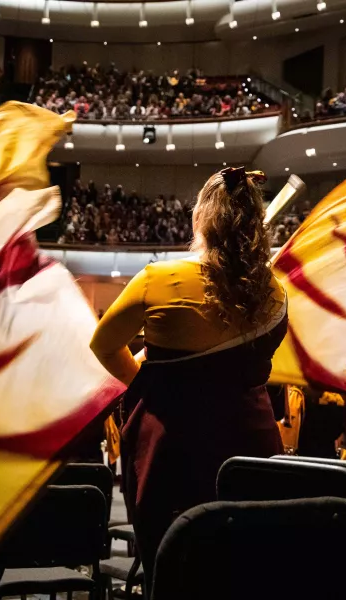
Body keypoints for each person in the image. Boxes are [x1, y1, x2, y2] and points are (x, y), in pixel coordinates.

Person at [90, 166, 287, 586]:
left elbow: (103, 346)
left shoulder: (157, 279)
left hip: (174, 453)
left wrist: (148, 382)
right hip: (253, 452)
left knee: (181, 577)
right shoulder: (277, 293)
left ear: (201, 218)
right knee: (247, 578)